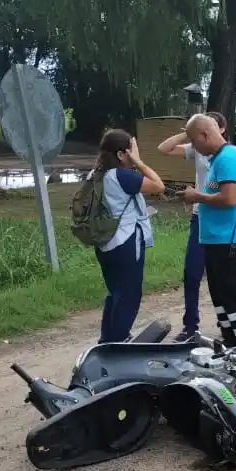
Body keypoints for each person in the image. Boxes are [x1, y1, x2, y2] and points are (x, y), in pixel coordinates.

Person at [182, 114, 236, 356]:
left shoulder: (227, 158)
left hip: (226, 239)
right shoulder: (219, 159)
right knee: (219, 293)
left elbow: (230, 199)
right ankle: (231, 340)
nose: (193, 146)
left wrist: (197, 196)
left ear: (205, 135)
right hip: (215, 239)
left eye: (193, 141)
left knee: (232, 292)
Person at [90, 129, 164, 343]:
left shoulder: (97, 174)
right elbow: (159, 185)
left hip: (104, 243)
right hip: (126, 242)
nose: (136, 154)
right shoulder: (122, 176)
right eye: (134, 149)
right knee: (130, 295)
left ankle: (107, 340)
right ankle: (120, 341)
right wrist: (139, 163)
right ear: (122, 154)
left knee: (115, 293)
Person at [158, 111, 226, 342]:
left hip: (220, 218)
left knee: (221, 275)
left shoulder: (228, 156)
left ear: (221, 130)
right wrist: (186, 135)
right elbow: (163, 149)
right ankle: (190, 326)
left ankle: (226, 320)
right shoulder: (197, 149)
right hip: (199, 217)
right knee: (192, 273)